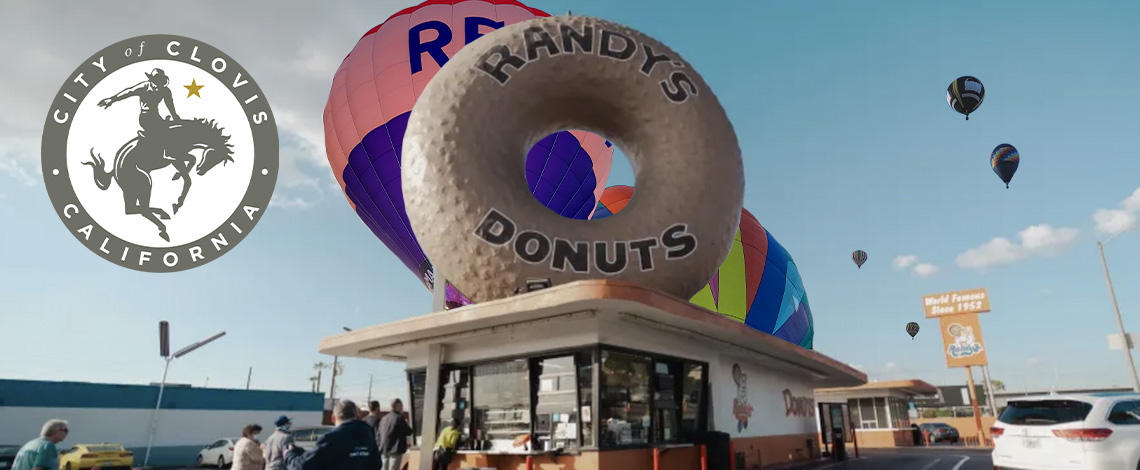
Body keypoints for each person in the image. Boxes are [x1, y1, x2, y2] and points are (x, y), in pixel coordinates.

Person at [284, 399, 380, 470]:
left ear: (333, 418)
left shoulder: (332, 438)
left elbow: (303, 466)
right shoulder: (368, 435)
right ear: (355, 415)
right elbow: (377, 464)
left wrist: (290, 454)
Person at [376, 399, 412, 470]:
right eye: (401, 406)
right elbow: (408, 432)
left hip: (384, 449)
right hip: (395, 449)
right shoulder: (399, 418)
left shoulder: (384, 419)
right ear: (398, 406)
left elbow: (378, 434)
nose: (402, 408)